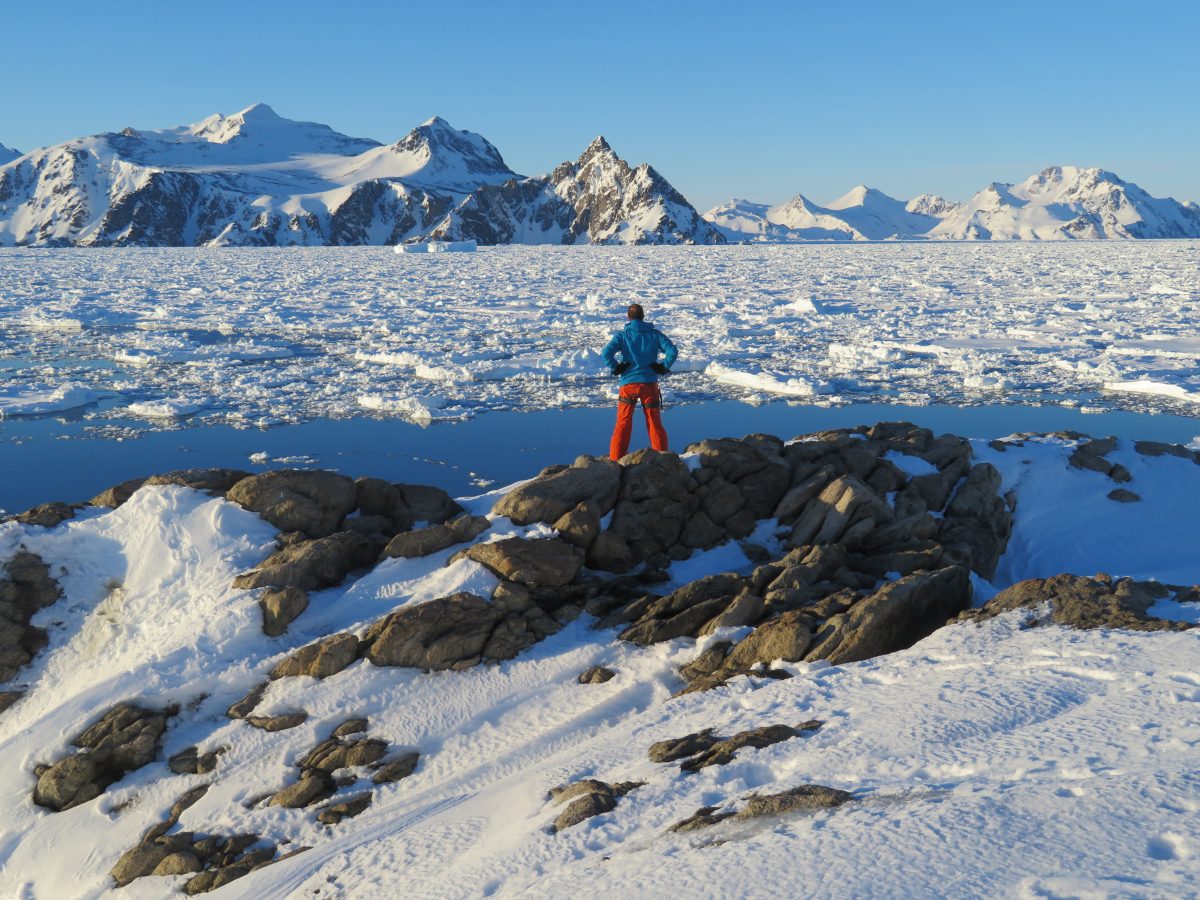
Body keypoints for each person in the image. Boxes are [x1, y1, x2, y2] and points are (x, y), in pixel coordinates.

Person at [601, 303, 678, 460]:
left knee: (623, 422)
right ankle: (662, 457)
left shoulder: (622, 336)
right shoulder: (655, 334)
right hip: (649, 385)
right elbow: (672, 351)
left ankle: (616, 458)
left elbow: (606, 353)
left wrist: (617, 368)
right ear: (643, 316)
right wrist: (663, 367)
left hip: (628, 385)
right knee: (654, 421)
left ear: (629, 317)